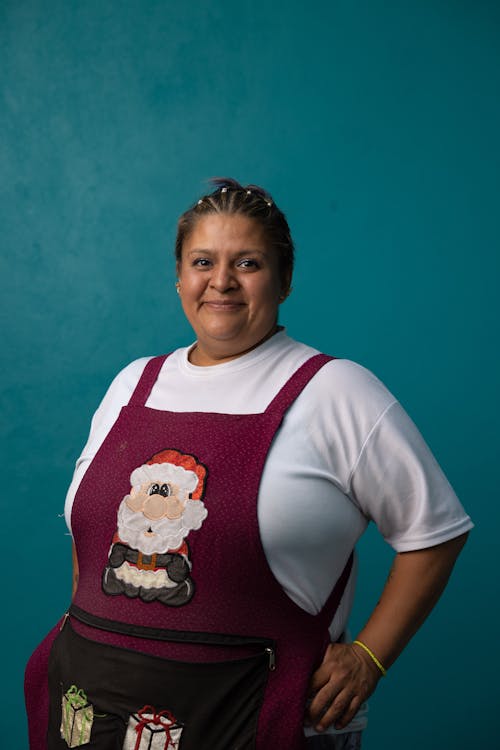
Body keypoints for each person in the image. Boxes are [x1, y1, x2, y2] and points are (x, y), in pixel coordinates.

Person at [25, 178, 473, 750]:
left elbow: (437, 533)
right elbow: (93, 534)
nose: (222, 281)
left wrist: (369, 657)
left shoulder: (336, 391)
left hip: (255, 720)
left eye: (249, 263)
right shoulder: (132, 383)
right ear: (179, 276)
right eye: (203, 261)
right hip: (94, 712)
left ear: (284, 279)